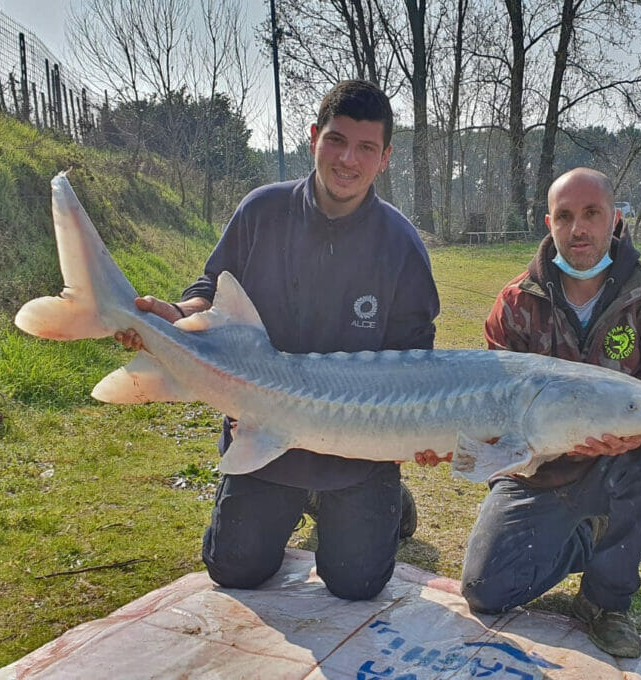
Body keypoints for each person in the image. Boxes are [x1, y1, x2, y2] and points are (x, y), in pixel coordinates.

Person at [116, 80, 440, 600]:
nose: (347, 159)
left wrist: (424, 436)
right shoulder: (262, 211)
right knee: (235, 570)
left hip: (356, 455)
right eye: (336, 140)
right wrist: (176, 316)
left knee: (356, 584)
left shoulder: (401, 246)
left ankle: (387, 500)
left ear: (384, 159)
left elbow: (415, 369)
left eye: (366, 148)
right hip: (265, 432)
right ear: (313, 137)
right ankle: (294, 499)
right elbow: (210, 293)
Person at [460, 168, 641, 658]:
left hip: (623, 465)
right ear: (549, 222)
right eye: (565, 217)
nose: (578, 229)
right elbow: (494, 410)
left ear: (615, 218)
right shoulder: (516, 302)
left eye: (592, 214)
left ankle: (604, 601)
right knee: (486, 590)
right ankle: (591, 533)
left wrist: (639, 438)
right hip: (540, 471)